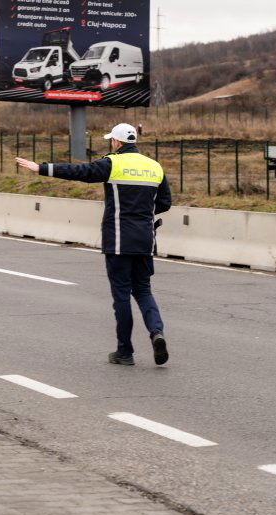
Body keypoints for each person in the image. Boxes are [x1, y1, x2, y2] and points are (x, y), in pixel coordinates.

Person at [15, 123, 172, 366]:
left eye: (113, 141)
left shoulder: (113, 163)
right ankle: (156, 332)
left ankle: (125, 351)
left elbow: (81, 172)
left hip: (119, 239)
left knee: (121, 295)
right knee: (143, 290)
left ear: (117, 143)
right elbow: (165, 202)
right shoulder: (154, 166)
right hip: (145, 240)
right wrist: (142, 212)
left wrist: (41, 168)